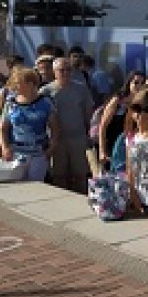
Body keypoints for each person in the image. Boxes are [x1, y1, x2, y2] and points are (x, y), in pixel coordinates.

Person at [41, 57, 94, 194]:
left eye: (68, 70)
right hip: (57, 140)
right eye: (61, 70)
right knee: (59, 175)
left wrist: (88, 133)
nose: (65, 73)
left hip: (78, 137)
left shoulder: (81, 89)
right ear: (54, 72)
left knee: (80, 174)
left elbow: (88, 112)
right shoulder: (45, 92)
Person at [0, 68, 59, 182]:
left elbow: (55, 128)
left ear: (31, 84)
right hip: (17, 152)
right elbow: (2, 128)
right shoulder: (11, 103)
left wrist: (51, 149)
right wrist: (5, 147)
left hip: (39, 153)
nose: (15, 86)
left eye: (19, 83)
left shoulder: (45, 102)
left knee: (35, 185)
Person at [98, 70, 147, 166]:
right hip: (113, 145)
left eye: (142, 83)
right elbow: (103, 126)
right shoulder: (118, 100)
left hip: (133, 146)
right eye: (136, 82)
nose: (139, 86)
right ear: (129, 83)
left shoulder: (144, 103)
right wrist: (102, 150)